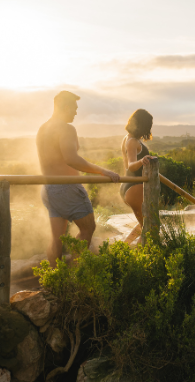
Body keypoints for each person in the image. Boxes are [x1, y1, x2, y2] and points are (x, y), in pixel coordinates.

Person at [36, 91, 120, 266]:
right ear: (65, 107)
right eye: (74, 108)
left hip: (49, 189)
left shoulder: (43, 129)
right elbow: (71, 159)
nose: (75, 112)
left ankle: (55, 279)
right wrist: (102, 171)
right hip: (67, 188)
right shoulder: (66, 128)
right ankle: (76, 276)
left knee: (56, 238)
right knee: (88, 228)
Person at [119, 109, 155, 228]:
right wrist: (142, 160)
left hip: (127, 185)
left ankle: (125, 246)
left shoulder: (126, 138)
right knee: (150, 229)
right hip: (135, 187)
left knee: (143, 227)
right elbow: (130, 166)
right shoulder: (132, 142)